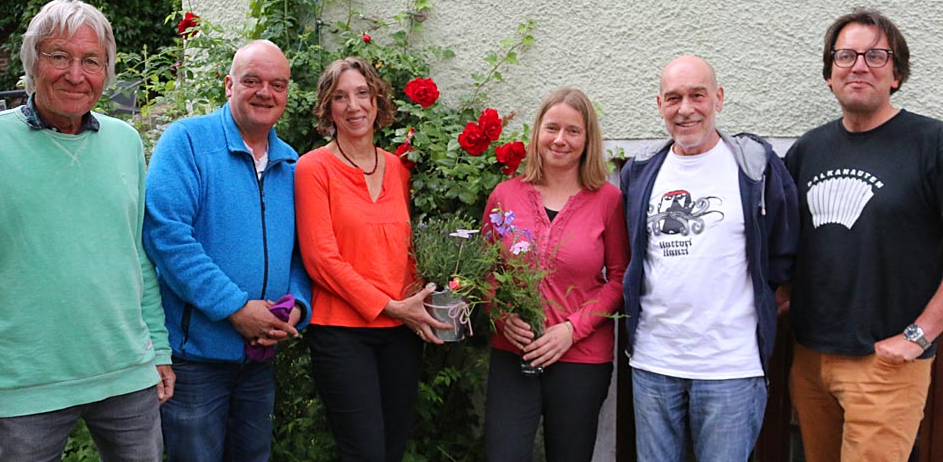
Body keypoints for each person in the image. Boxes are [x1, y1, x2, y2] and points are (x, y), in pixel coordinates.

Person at [0, 0, 173, 460]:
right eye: (59, 56)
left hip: (127, 374)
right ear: (32, 63)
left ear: (106, 72)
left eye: (91, 61)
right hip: (23, 389)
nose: (75, 74)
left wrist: (159, 349)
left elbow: (136, 256)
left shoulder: (126, 143)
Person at [619, 55, 799, 461]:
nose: (686, 109)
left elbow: (785, 251)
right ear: (660, 105)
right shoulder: (641, 171)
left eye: (697, 95)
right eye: (674, 98)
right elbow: (632, 254)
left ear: (718, 98)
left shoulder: (755, 167)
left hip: (730, 369)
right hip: (653, 364)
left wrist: (768, 301)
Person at [784, 8, 943, 462]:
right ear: (830, 74)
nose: (859, 66)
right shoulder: (807, 150)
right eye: (846, 56)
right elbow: (788, 245)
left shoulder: (931, 144)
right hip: (811, 357)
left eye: (876, 56)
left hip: (887, 362)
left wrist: (919, 335)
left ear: (897, 74)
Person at [142, 39, 312, 462]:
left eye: (277, 84)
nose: (265, 93)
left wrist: (296, 305)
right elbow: (166, 236)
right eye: (252, 81)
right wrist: (235, 308)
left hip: (259, 359)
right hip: (194, 361)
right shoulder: (187, 142)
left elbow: (301, 251)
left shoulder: (291, 163)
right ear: (228, 85)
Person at [295, 56, 449, 462]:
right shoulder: (313, 168)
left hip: (401, 331)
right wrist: (390, 305)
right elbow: (321, 259)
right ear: (328, 108)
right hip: (343, 332)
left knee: (392, 449)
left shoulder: (396, 168)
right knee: (363, 453)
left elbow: (402, 250)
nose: (354, 106)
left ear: (377, 101)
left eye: (362, 93)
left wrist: (425, 298)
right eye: (340, 97)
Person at [481, 88, 629, 462]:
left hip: (581, 358)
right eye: (552, 128)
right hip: (515, 351)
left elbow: (619, 279)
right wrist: (502, 315)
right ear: (538, 132)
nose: (560, 139)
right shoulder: (505, 195)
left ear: (587, 139)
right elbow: (484, 271)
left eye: (573, 131)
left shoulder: (608, 200)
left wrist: (571, 329)